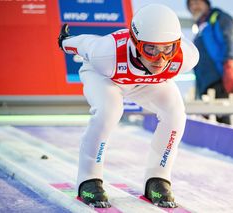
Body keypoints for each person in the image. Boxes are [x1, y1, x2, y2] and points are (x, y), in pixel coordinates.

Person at [58, 4, 199, 208]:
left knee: (175, 114)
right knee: (110, 110)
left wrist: (157, 54)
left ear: (176, 45)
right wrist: (65, 42)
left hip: (149, 82)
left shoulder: (186, 57)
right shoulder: (105, 55)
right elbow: (86, 43)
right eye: (150, 49)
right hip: (107, 78)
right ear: (134, 42)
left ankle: (158, 178)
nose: (160, 59)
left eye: (168, 49)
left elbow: (164, 57)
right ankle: (89, 178)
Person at [187, 0, 233, 129]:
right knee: (217, 125)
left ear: (207, 4)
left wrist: (230, 69)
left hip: (225, 81)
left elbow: (230, 41)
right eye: (191, 5)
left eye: (197, 3)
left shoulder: (219, 18)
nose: (194, 7)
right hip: (208, 86)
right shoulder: (200, 29)